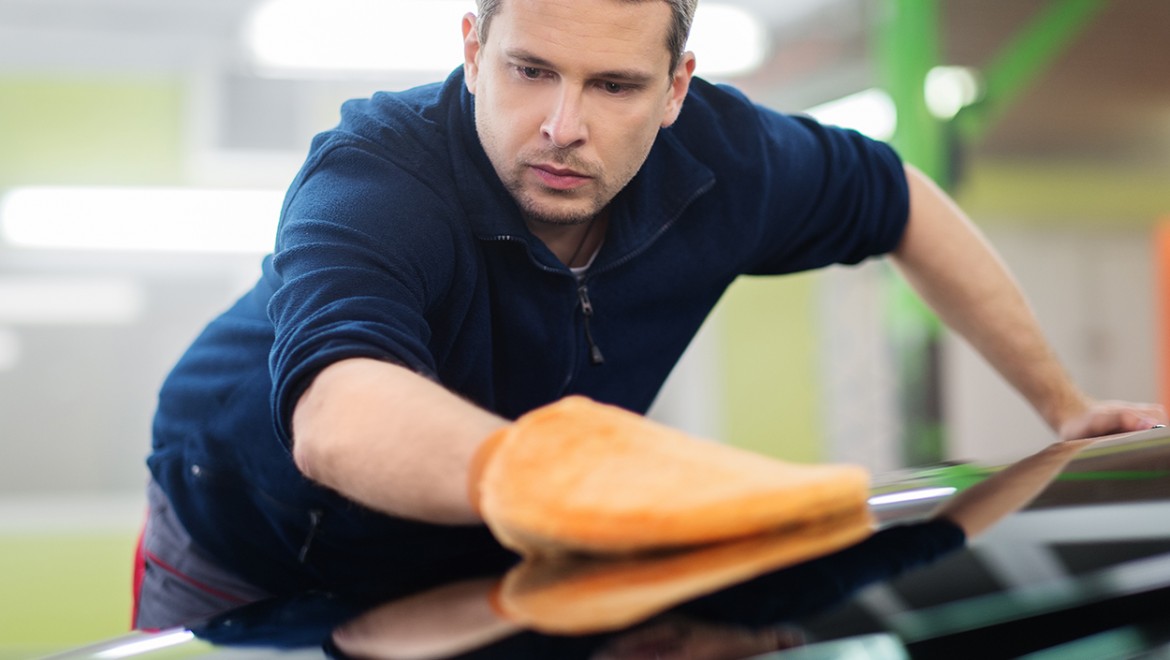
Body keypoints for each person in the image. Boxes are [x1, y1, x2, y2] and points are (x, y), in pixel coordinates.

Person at [134, 0, 1165, 630]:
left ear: (677, 90)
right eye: (530, 70)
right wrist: (571, 480)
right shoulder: (376, 174)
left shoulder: (729, 158)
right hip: (245, 544)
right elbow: (340, 413)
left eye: (616, 86)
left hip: (484, 555)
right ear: (473, 50)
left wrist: (1062, 405)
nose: (563, 126)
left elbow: (898, 199)